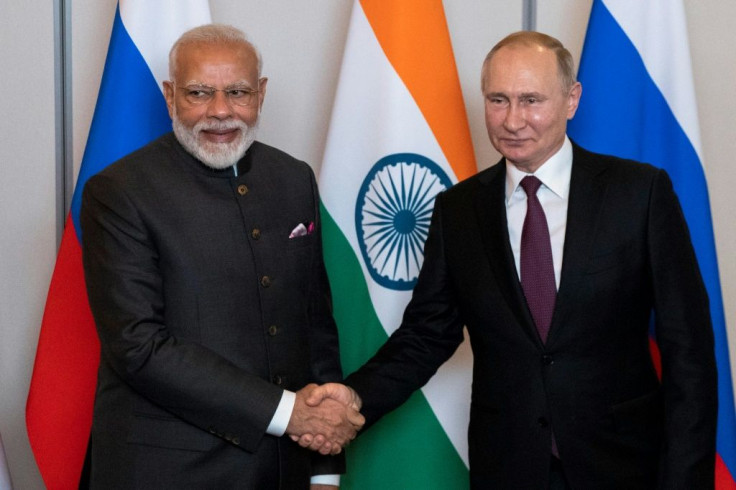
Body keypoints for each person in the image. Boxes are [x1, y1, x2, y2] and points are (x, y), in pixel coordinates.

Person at [303, 31, 718, 488]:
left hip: (624, 467)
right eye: (498, 100)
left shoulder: (639, 194)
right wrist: (355, 397)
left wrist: (686, 478)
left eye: (531, 100)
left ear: (571, 99)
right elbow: (426, 334)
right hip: (508, 468)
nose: (513, 120)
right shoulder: (457, 211)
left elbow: (690, 353)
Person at [81, 24, 362, 489]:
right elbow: (138, 346)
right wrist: (290, 413)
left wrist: (324, 467)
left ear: (261, 93)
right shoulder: (119, 192)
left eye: (237, 92)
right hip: (166, 473)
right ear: (170, 95)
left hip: (284, 468)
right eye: (198, 93)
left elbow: (313, 325)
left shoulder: (293, 178)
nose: (220, 111)